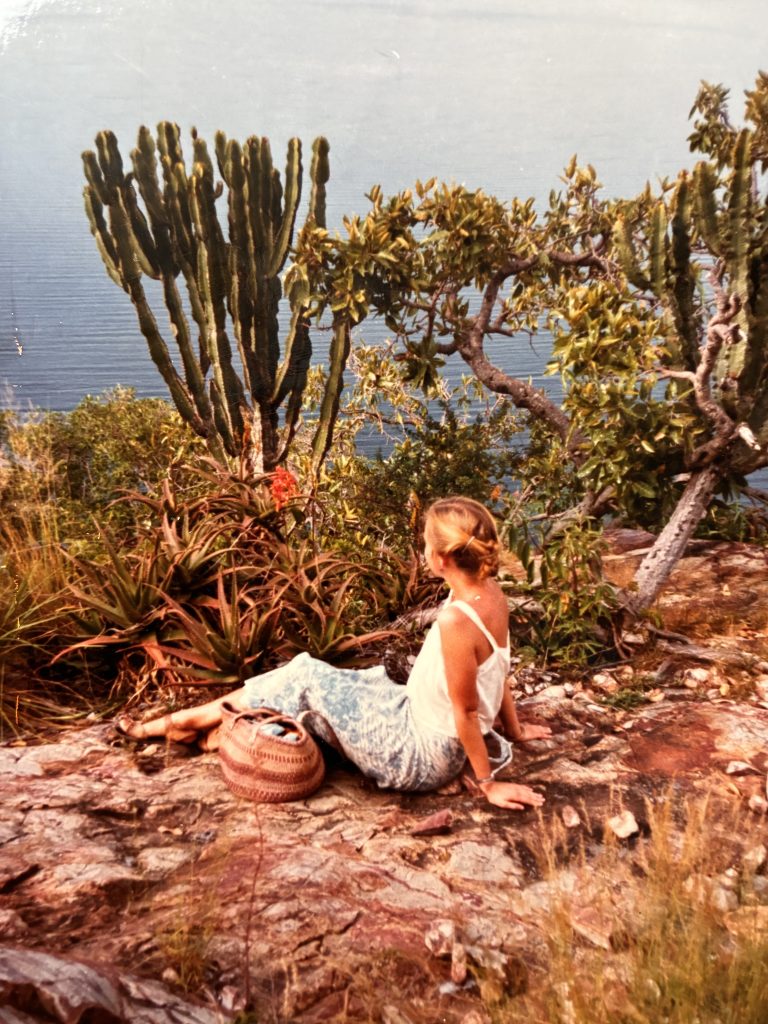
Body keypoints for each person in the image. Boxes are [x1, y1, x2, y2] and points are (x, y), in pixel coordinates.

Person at [116, 497, 550, 810]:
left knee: (303, 675)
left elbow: (465, 709)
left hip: (421, 753)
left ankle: (184, 723)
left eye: (424, 545)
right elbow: (499, 671)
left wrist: (489, 783)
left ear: (439, 559)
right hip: (423, 722)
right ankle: (207, 728)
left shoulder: (458, 622)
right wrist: (513, 728)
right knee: (339, 677)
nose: (422, 551)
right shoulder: (491, 595)